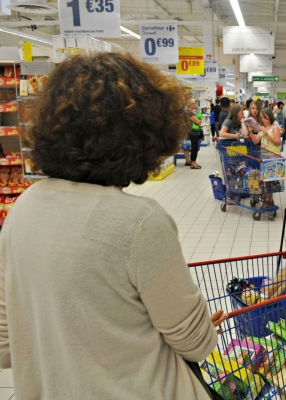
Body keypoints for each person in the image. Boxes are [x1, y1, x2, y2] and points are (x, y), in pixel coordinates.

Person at [0, 52, 227, 400]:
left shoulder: (22, 208)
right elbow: (196, 344)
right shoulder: (139, 223)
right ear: (144, 133)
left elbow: (5, 344)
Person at [250, 108, 282, 211]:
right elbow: (256, 141)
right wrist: (250, 132)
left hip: (273, 157)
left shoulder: (275, 128)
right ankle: (269, 201)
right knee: (265, 181)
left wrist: (267, 135)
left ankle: (267, 201)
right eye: (262, 118)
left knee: (270, 180)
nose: (263, 120)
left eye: (266, 118)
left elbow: (277, 142)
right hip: (264, 157)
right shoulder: (261, 129)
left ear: (270, 118)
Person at [185, 99, 203, 169]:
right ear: (191, 104)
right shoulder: (189, 113)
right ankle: (193, 162)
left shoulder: (190, 112)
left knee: (194, 147)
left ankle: (194, 161)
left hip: (193, 132)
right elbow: (198, 122)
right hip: (193, 132)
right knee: (194, 147)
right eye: (194, 103)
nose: (195, 104)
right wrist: (200, 119)